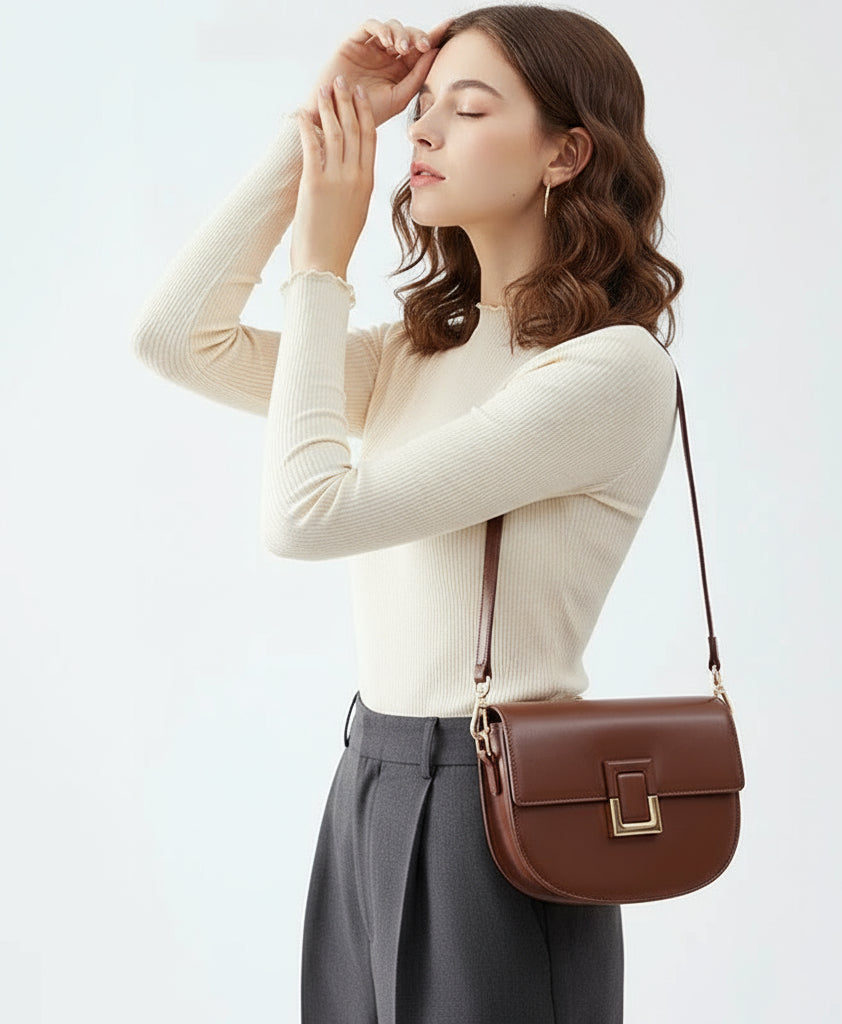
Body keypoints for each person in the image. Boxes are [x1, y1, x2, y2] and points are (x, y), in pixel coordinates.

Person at [131, 6, 684, 1022]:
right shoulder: (412, 353)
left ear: (566, 152)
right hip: (370, 780)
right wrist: (318, 128)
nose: (420, 132)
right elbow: (174, 339)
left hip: (500, 807)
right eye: (419, 108)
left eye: (466, 110)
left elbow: (304, 516)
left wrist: (318, 268)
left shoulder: (606, 372)